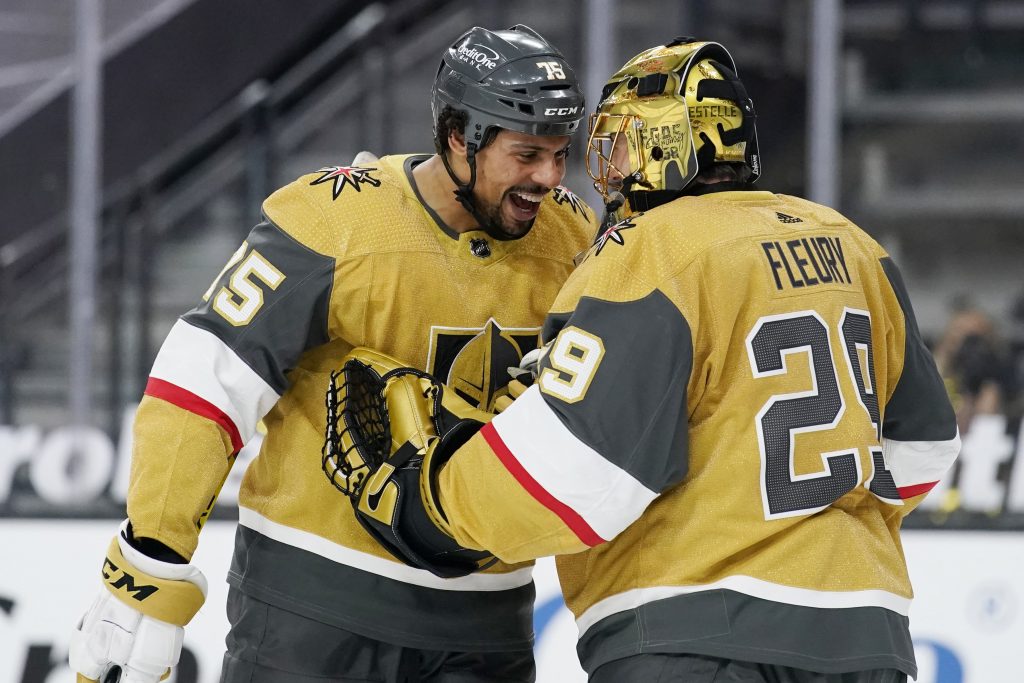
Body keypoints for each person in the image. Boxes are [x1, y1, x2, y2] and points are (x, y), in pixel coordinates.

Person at [332, 38, 962, 682]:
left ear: (669, 146)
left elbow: (571, 471)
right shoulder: (853, 245)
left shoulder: (649, 252)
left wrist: (424, 504)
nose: (606, 165)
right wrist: (811, 521)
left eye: (622, 142)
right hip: (866, 634)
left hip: (694, 638)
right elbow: (926, 449)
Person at [69, 24, 598, 683]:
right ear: (461, 137)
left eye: (558, 154)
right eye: (527, 155)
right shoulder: (334, 217)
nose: (548, 177)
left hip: (486, 627)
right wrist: (151, 557)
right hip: (313, 612)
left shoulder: (576, 234)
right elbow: (204, 380)